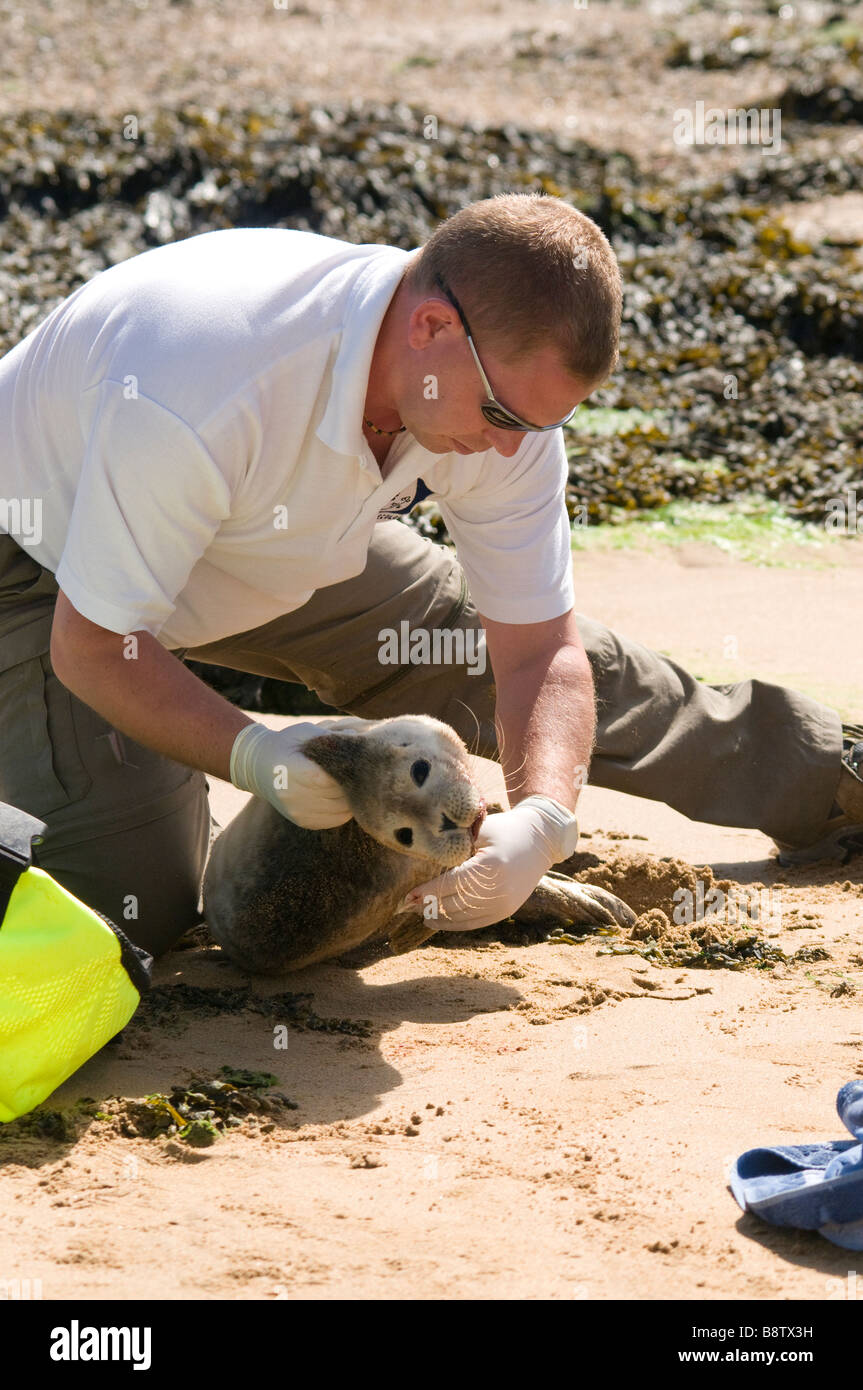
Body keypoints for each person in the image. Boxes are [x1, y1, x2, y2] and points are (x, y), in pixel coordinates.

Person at [0, 192, 860, 958]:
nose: (512, 447)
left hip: (274, 538)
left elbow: (538, 653)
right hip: (43, 574)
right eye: (498, 414)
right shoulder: (201, 383)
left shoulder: (499, 404)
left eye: (541, 423)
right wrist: (251, 753)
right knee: (128, 910)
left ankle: (835, 780)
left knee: (481, 645)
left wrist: (543, 823)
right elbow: (95, 644)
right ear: (431, 327)